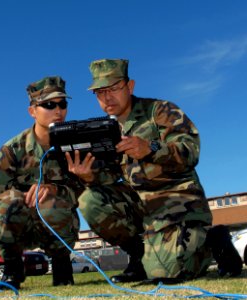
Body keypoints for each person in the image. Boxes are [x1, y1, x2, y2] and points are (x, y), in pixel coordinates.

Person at [66, 58, 242, 282]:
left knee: (166, 273)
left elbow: (190, 151)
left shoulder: (159, 111)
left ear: (130, 87)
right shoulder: (105, 130)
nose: (107, 97)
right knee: (91, 200)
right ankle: (139, 257)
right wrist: (89, 176)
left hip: (177, 200)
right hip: (142, 206)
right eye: (100, 92)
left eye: (114, 88)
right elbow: (110, 176)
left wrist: (151, 148)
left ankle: (213, 240)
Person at [0, 76, 82, 290]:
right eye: (49, 105)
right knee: (6, 201)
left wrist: (55, 188)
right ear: (32, 111)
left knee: (53, 199)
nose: (58, 110)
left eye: (62, 104)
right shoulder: (12, 150)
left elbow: (84, 191)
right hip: (18, 228)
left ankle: (62, 267)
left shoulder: (74, 145)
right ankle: (12, 270)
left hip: (57, 226)